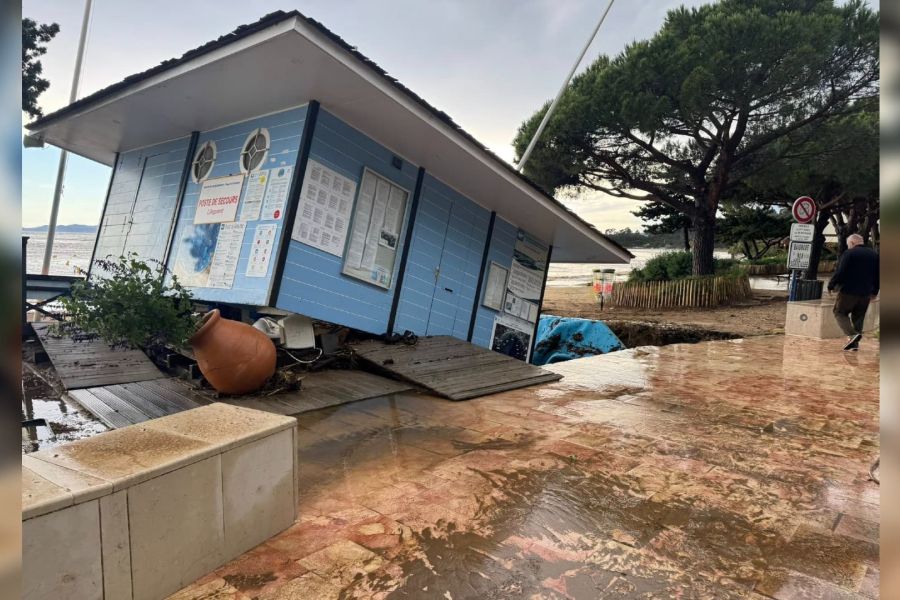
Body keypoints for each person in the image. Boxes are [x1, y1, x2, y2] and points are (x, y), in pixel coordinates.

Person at [827, 233, 879, 351]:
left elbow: (841, 271)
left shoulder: (849, 253)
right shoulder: (874, 255)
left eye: (848, 244)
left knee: (839, 312)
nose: (848, 246)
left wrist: (831, 284)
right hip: (866, 292)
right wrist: (875, 291)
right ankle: (854, 345)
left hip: (848, 291)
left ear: (852, 243)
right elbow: (878, 275)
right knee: (858, 317)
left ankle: (852, 335)